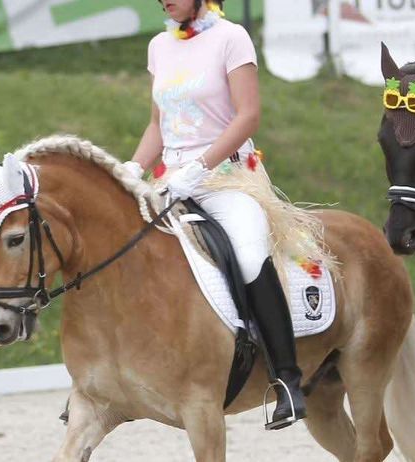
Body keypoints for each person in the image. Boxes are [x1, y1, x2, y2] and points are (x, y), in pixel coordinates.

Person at [124, 0, 306, 428]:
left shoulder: (231, 38)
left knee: (248, 253)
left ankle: (287, 380)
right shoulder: (159, 46)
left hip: (227, 178)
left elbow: (248, 116)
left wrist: (200, 167)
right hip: (170, 181)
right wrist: (132, 167)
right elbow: (158, 124)